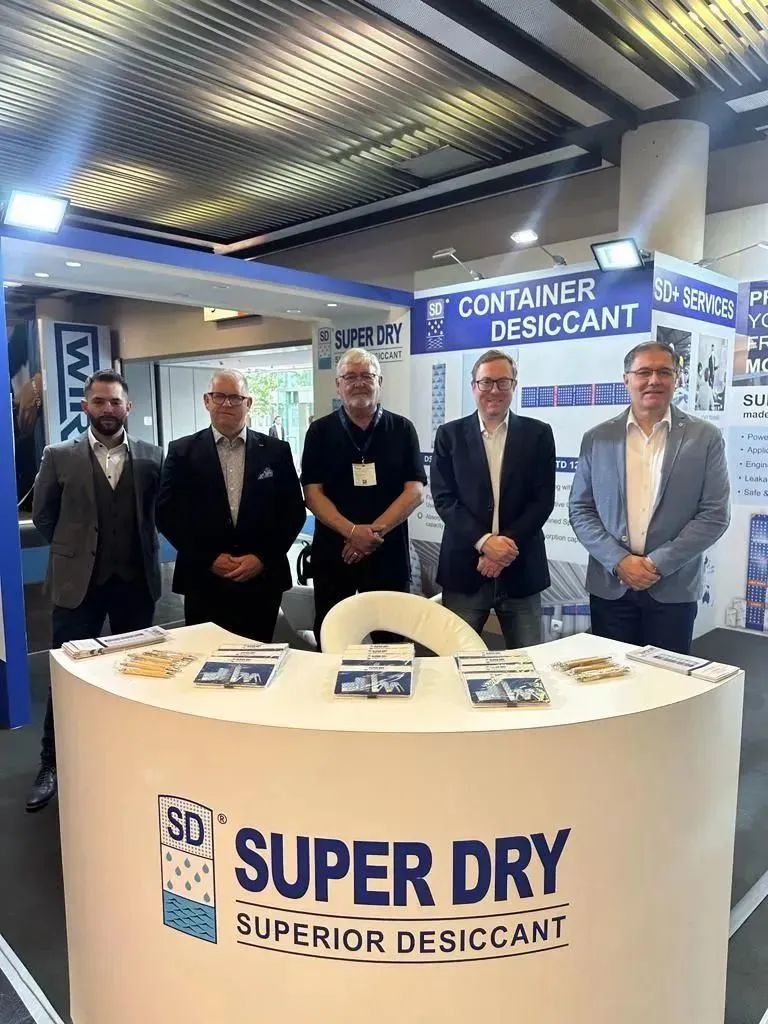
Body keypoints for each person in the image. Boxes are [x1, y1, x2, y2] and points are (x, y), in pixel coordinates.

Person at [27, 369, 163, 811]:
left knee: (138, 674)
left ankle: (134, 756)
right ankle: (52, 763)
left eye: (115, 401)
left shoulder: (152, 456)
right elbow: (44, 516)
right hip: (77, 584)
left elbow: (158, 512)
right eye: (99, 401)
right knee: (67, 678)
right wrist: (76, 550)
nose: (108, 409)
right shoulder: (58, 456)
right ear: (85, 406)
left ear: (128, 407)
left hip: (135, 583)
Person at [569, 341, 730, 655]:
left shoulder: (705, 437)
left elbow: (714, 514)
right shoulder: (597, 438)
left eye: (664, 372)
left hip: (673, 588)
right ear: (626, 379)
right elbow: (580, 509)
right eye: (644, 372)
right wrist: (619, 561)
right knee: (611, 676)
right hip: (611, 586)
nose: (654, 380)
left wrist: (656, 564)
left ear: (677, 379)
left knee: (667, 679)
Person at [157, 370, 305, 642]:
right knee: (204, 657)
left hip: (261, 579)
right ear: (207, 401)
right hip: (204, 579)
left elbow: (293, 512)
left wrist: (261, 558)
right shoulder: (182, 451)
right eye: (219, 396)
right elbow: (167, 514)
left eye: (235, 397)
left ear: (248, 403)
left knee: (258, 657)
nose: (227, 403)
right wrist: (208, 558)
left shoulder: (276, 451)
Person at [430, 349, 555, 647]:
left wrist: (503, 549)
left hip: (521, 568)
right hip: (465, 568)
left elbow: (542, 501)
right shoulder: (449, 435)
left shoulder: (538, 434)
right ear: (473, 386)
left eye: (503, 382)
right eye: (486, 382)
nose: (494, 390)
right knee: (456, 658)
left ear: (514, 385)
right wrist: (485, 543)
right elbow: (444, 499)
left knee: (527, 662)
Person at [301, 349, 425, 643]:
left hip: (387, 553)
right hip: (335, 555)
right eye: (350, 377)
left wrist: (371, 535)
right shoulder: (319, 432)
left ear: (379, 381)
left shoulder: (402, 429)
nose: (359, 383)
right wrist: (352, 532)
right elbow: (312, 494)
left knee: (391, 640)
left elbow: (415, 491)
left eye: (367, 376)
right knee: (333, 639)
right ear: (338, 385)